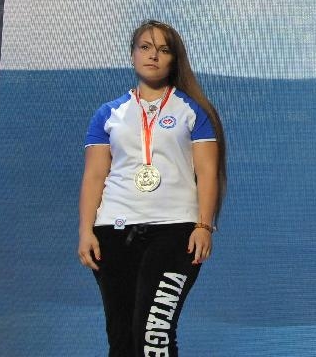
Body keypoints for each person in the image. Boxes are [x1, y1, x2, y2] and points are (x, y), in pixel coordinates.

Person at [78, 20, 226, 357]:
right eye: (145, 47)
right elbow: (93, 176)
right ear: (132, 55)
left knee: (153, 332)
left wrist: (203, 225)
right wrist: (86, 230)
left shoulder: (192, 111)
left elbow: (207, 171)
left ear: (174, 59)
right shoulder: (108, 114)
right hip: (112, 231)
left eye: (163, 49)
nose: (153, 56)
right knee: (122, 337)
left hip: (176, 231)